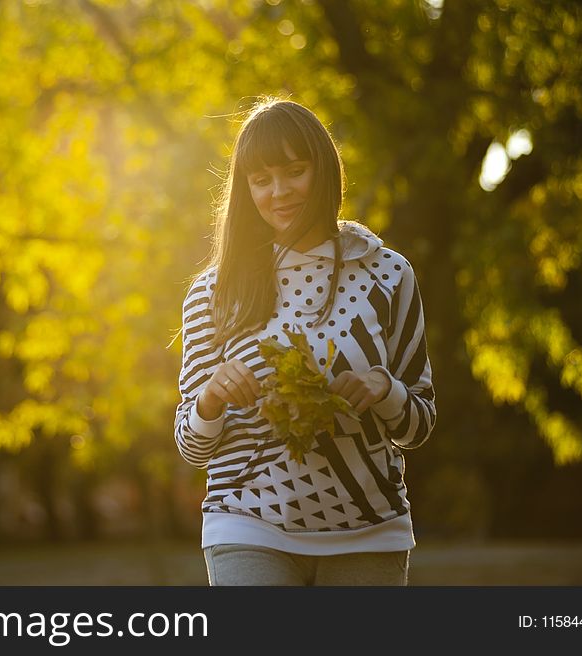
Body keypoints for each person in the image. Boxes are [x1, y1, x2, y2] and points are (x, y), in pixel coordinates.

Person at [174, 98, 436, 586]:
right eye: (261, 179)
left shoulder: (387, 275)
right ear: (245, 188)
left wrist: (385, 388)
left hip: (369, 531)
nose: (279, 192)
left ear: (325, 171)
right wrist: (210, 397)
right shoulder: (214, 290)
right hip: (247, 523)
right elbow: (190, 445)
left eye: (295, 171)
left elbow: (419, 424)